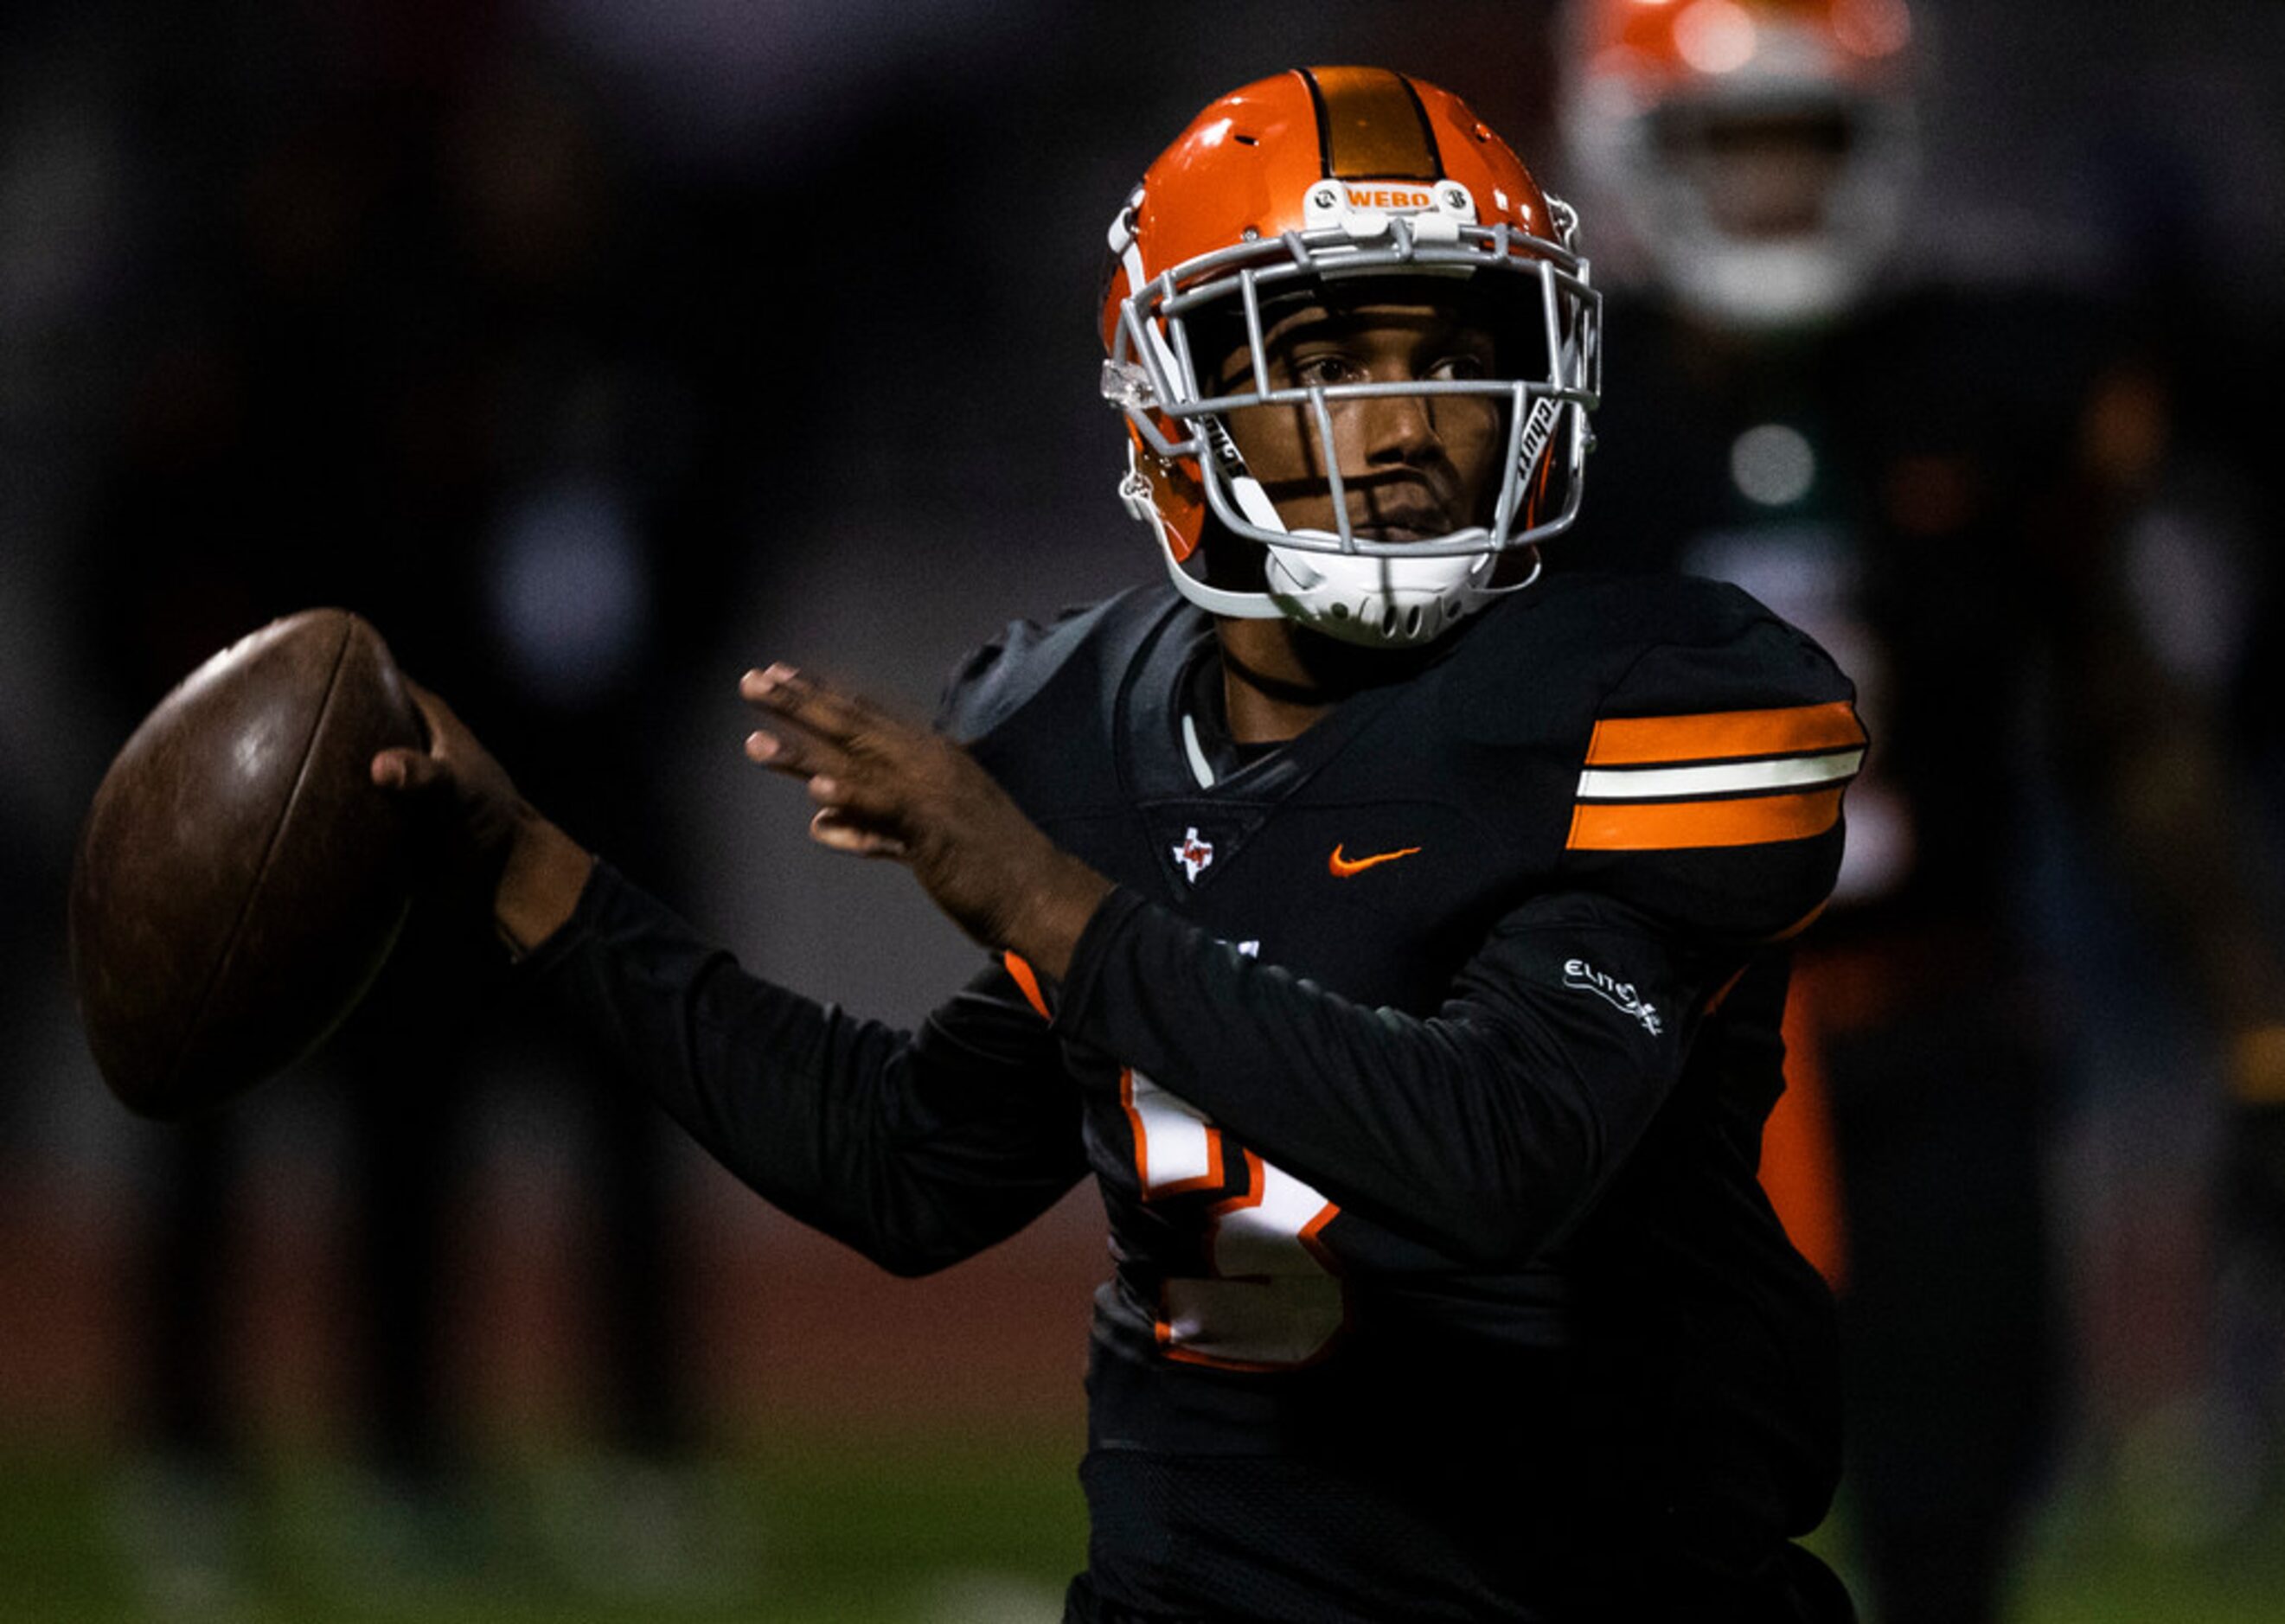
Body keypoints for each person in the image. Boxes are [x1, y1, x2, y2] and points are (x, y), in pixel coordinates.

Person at [373, 67, 1866, 1621]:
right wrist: (526, 872)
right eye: (1330, 359)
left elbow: (1500, 1148)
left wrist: (1045, 899)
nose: (1415, 424)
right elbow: (907, 1167)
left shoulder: (1657, 703)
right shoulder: (1079, 724)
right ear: (1172, 398)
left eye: (1456, 355)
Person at [1556, 3, 2285, 1619]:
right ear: (1633, 148)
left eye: (1802, 139)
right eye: (1727, 144)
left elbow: (2128, 718)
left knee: (1952, 1525)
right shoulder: (1553, 414)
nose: (1769, 186)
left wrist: (2250, 1023)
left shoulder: (1995, 380)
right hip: (1637, 1053)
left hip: (1937, 1020)